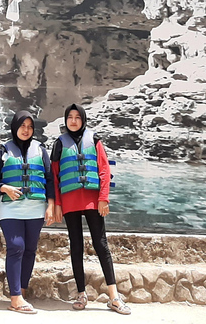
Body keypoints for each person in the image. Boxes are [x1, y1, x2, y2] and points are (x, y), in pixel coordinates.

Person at [51, 103, 131, 315]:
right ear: (66, 120)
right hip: (69, 202)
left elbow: (104, 170)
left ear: (83, 120)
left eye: (78, 117)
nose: (74, 120)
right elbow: (55, 176)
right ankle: (80, 293)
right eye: (70, 117)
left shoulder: (94, 140)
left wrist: (103, 198)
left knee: (101, 244)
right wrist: (57, 204)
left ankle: (114, 296)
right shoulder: (59, 144)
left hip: (93, 201)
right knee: (75, 246)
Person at [0, 110, 55, 315]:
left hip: (35, 208)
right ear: (15, 127)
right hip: (10, 208)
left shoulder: (41, 150)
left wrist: (51, 205)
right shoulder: (3, 151)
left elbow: (50, 179)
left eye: (29, 127)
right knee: (16, 247)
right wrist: (4, 188)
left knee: (29, 250)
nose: (26, 130)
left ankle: (21, 291)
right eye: (22, 126)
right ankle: (15, 298)